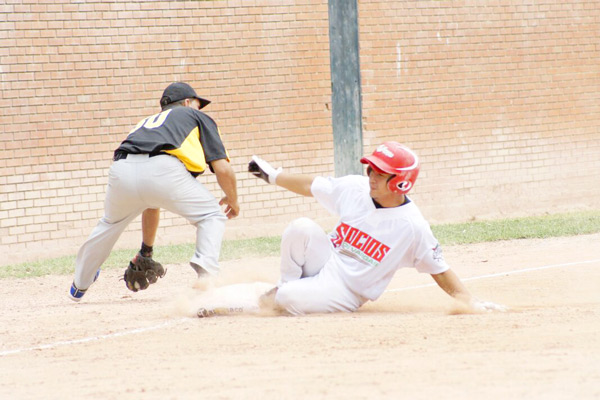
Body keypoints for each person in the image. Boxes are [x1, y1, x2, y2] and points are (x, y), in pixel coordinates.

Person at [248, 141, 505, 315]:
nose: (372, 176)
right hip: (328, 261)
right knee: (300, 227)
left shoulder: (412, 226)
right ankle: (283, 288)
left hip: (345, 290)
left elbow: (439, 269)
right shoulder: (355, 188)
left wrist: (470, 302)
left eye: (381, 173)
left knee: (288, 298)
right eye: (371, 169)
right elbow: (311, 185)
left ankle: (281, 297)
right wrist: (273, 176)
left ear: (401, 183)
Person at [69, 82, 239, 302]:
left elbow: (151, 200)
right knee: (211, 215)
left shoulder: (146, 124)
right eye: (198, 104)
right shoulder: (194, 116)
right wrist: (233, 200)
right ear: (187, 103)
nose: (200, 109)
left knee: (109, 225)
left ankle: (79, 284)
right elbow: (223, 169)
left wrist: (146, 250)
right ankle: (206, 274)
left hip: (121, 169)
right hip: (163, 169)